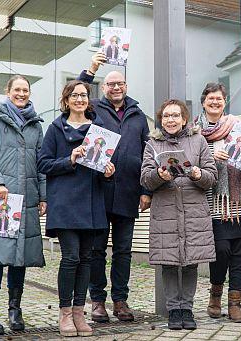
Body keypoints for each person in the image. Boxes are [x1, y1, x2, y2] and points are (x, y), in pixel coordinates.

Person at [37, 80, 115, 337]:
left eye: (84, 95)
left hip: (92, 204)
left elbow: (104, 167)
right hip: (66, 204)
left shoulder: (99, 129)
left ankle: (80, 311)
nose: (80, 99)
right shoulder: (56, 129)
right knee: (70, 258)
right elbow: (44, 164)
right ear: (66, 100)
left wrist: (108, 172)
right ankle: (65, 313)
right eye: (75, 95)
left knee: (87, 259)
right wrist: (69, 159)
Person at [78, 52, 151, 323]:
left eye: (119, 83)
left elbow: (149, 155)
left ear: (126, 86)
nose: (116, 88)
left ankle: (120, 300)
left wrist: (147, 190)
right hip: (98, 191)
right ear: (104, 87)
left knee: (123, 251)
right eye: (110, 84)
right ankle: (97, 300)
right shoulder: (93, 108)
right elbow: (73, 94)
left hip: (129, 193)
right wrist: (92, 68)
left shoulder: (139, 115)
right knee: (97, 250)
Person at [0, 75, 47, 335]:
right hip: (1, 199)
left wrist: (43, 196)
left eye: (25, 90)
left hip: (26, 198)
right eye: (17, 89)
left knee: (21, 258)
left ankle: (15, 309)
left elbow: (42, 163)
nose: (21, 93)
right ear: (8, 91)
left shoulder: (36, 125)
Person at [141, 99, 217, 330]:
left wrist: (196, 173)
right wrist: (159, 176)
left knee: (191, 262)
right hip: (165, 211)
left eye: (175, 116)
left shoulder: (199, 140)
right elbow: (144, 178)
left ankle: (188, 309)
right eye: (166, 116)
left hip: (194, 211)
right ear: (161, 120)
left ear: (184, 119)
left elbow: (211, 176)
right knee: (170, 262)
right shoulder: (153, 144)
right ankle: (174, 310)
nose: (170, 120)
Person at [195, 83, 241, 323]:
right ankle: (215, 293)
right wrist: (211, 158)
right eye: (210, 98)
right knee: (220, 251)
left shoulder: (238, 127)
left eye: (219, 98)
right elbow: (193, 162)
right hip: (214, 202)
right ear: (203, 102)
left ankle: (235, 303)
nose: (215, 102)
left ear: (224, 102)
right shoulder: (195, 132)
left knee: (240, 254)